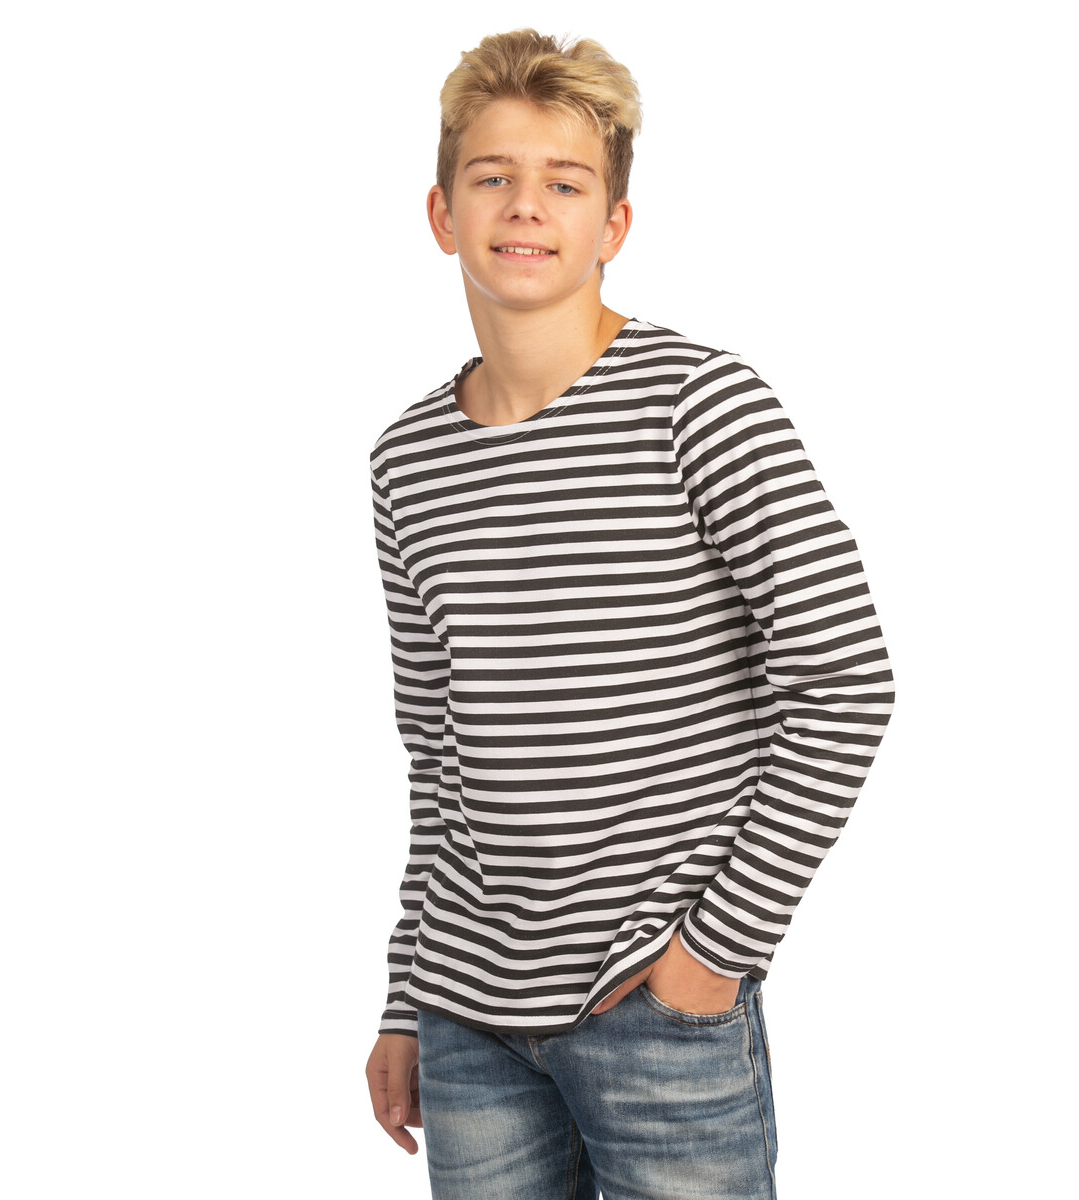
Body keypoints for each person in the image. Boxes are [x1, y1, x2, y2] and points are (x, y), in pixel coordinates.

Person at [364, 28, 895, 1199]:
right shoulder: (407, 460)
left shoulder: (702, 407)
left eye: (565, 184)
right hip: (467, 1018)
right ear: (443, 213)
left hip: (654, 1011)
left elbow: (847, 685)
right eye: (493, 176)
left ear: (614, 226)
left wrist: (712, 957)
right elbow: (438, 752)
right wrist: (406, 998)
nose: (526, 206)